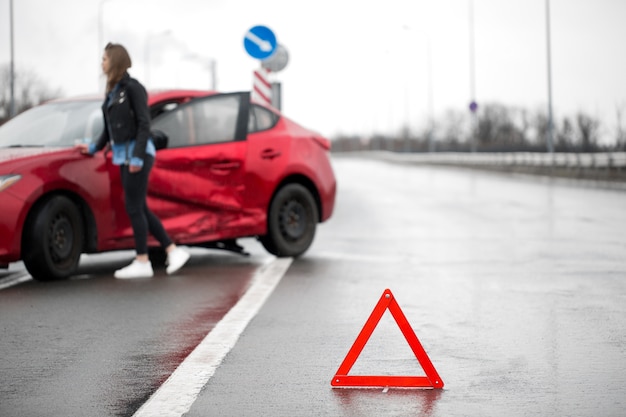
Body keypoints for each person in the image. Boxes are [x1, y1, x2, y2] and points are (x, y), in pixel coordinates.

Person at [76, 42, 190, 279]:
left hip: (137, 154)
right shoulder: (113, 90)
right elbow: (108, 129)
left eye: (105, 58)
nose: (102, 63)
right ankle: (172, 250)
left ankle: (142, 260)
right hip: (123, 155)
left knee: (133, 207)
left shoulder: (133, 88)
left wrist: (137, 156)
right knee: (139, 207)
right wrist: (93, 147)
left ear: (115, 61)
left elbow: (144, 123)